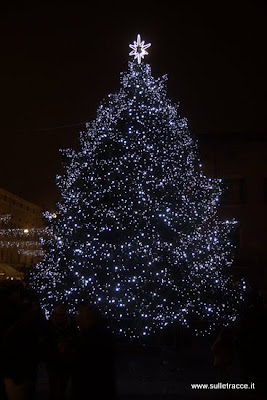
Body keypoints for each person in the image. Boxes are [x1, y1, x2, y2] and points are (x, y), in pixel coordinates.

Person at [70, 305, 117, 399]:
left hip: (91, 387)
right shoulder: (99, 333)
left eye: (79, 315)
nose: (76, 318)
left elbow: (85, 362)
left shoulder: (92, 337)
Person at [44, 304, 77, 400]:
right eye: (58, 315)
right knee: (54, 384)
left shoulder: (70, 326)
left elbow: (75, 340)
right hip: (53, 359)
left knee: (62, 384)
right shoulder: (49, 326)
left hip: (65, 360)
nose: (60, 318)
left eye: (62, 315)